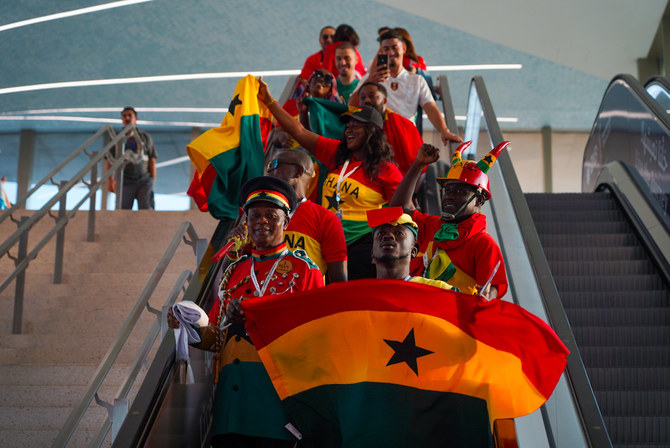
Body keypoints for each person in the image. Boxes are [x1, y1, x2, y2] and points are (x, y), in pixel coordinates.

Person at [169, 176, 324, 447]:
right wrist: (186, 325)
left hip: (277, 401)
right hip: (232, 403)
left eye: (271, 215)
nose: (261, 221)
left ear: (286, 222)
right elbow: (217, 338)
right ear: (246, 222)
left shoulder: (304, 269)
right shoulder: (233, 271)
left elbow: (316, 336)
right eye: (254, 215)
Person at [258, 78, 402, 280]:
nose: (349, 130)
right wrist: (269, 101)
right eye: (348, 126)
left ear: (372, 132)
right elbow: (299, 132)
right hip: (327, 238)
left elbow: (399, 210)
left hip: (362, 242)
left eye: (356, 126)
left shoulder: (386, 169)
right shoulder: (337, 153)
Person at [390, 141, 509, 299]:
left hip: (449, 318)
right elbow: (399, 209)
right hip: (414, 307)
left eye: (459, 190)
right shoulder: (432, 225)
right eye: (447, 190)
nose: (449, 196)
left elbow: (491, 292)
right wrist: (418, 165)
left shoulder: (484, 244)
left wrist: (486, 298)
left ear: (479, 200)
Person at [349, 30, 461, 147]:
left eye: (394, 47)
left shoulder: (417, 80)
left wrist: (444, 130)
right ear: (381, 52)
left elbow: (430, 108)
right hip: (379, 139)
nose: (391, 52)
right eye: (386, 49)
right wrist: (370, 80)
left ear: (403, 48)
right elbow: (351, 104)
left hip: (406, 139)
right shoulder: (371, 77)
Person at [368, 206, 456, 291]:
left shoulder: (440, 291)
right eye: (381, 233)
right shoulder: (359, 294)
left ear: (413, 251)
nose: (388, 236)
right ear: (372, 253)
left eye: (399, 233)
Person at [356, 81, 424, 174]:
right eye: (362, 97)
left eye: (372, 96)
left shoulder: (404, 126)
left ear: (384, 101)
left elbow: (417, 165)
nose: (366, 100)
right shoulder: (353, 126)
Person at [107, 107, 158, 210]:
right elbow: (110, 160)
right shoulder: (116, 139)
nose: (127, 118)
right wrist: (110, 180)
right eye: (124, 116)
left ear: (136, 118)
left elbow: (152, 159)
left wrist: (153, 179)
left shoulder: (145, 137)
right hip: (125, 181)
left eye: (130, 115)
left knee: (146, 209)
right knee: (122, 210)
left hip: (144, 179)